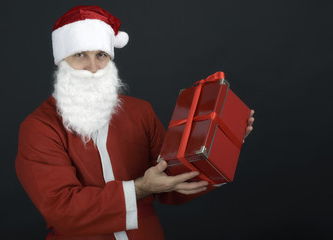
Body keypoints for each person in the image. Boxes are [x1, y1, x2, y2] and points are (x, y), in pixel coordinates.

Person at [15, 5, 254, 240]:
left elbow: (172, 182)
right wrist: (140, 188)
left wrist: (221, 143)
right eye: (80, 55)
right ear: (61, 61)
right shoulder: (39, 127)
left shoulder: (140, 111)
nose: (93, 68)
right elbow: (62, 208)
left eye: (101, 55)